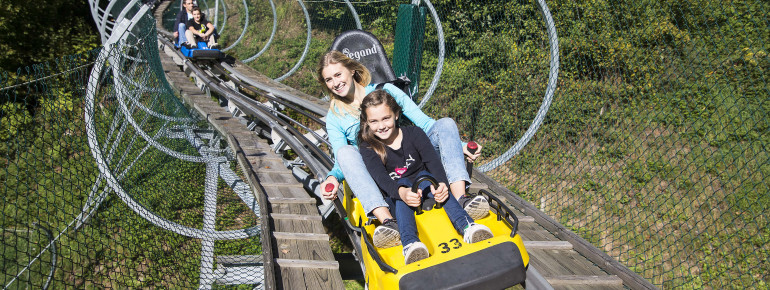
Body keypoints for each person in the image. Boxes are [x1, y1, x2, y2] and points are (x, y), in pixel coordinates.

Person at [316, 51, 489, 249]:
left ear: (352, 70)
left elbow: (425, 124)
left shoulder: (386, 91)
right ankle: (388, 221)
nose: (335, 83)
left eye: (338, 75)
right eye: (328, 79)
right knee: (346, 152)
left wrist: (459, 146)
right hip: (380, 170)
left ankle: (460, 198)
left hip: (412, 158)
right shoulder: (336, 116)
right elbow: (342, 159)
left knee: (446, 124)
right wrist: (333, 177)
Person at [357, 90, 494, 264]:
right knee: (403, 183)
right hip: (398, 197)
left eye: (386, 118)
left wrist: (442, 184)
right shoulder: (369, 148)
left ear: (396, 115)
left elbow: (433, 161)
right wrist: (403, 193)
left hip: (425, 187)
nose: (381, 126)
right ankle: (410, 243)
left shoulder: (414, 133)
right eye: (374, 121)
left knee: (427, 176)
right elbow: (382, 180)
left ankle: (467, 226)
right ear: (367, 123)